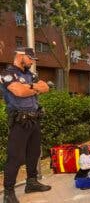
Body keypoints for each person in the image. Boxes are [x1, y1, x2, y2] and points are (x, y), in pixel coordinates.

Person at [1, 48, 51, 203]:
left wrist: (29, 87)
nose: (32, 62)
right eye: (31, 59)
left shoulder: (30, 74)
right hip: (19, 121)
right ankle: (8, 193)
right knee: (15, 157)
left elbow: (46, 87)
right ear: (20, 56)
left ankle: (31, 182)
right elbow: (19, 92)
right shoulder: (7, 74)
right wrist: (34, 88)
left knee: (34, 153)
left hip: (34, 119)